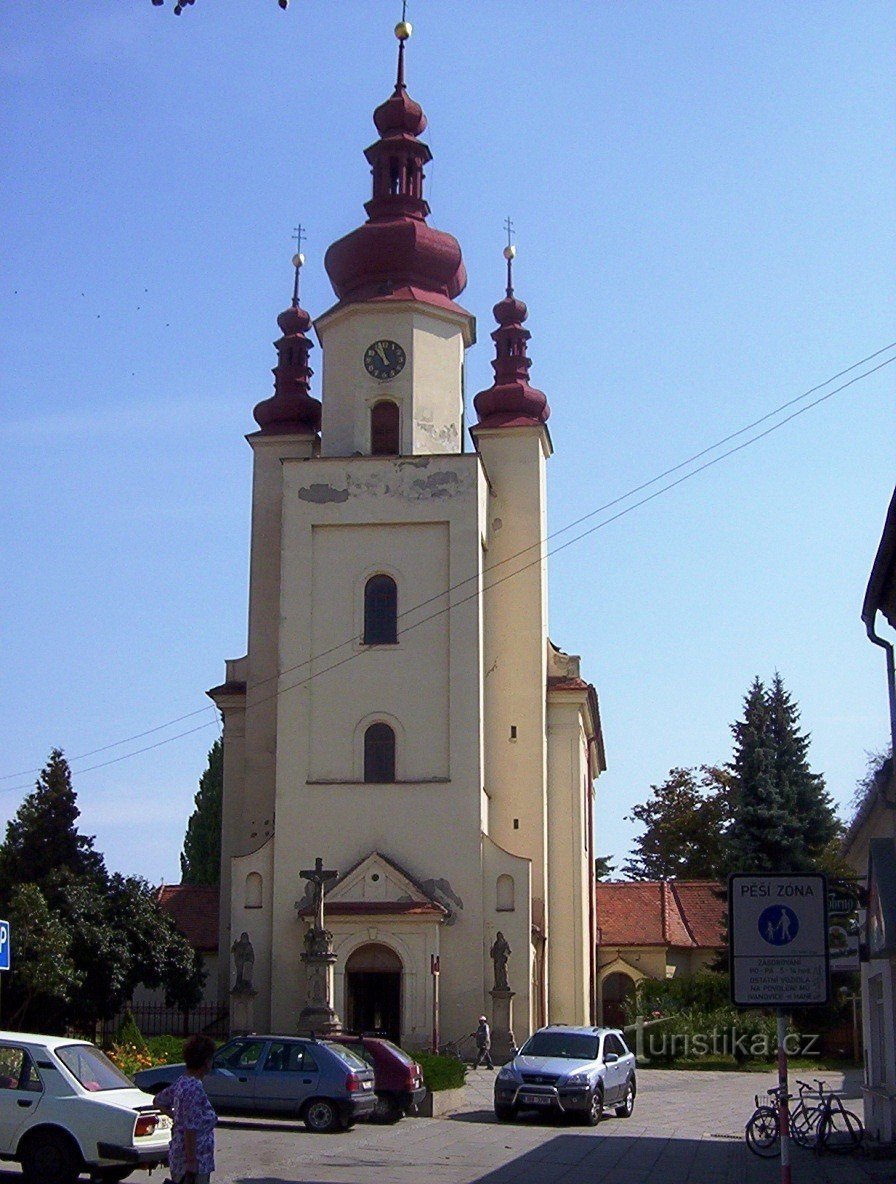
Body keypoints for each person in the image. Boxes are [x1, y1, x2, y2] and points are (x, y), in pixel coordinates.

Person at [154, 1034, 217, 1184]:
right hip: (193, 1162)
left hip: (179, 1156)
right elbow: (190, 1128)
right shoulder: (194, 1088)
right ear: (205, 1062)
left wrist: (176, 1116)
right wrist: (191, 1163)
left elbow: (158, 1101)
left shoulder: (182, 1082)